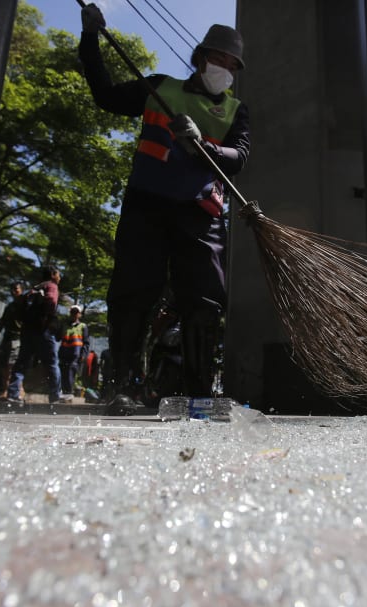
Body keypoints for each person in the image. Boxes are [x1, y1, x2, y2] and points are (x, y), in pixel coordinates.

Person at [78, 4, 250, 415]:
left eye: (231, 64)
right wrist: (90, 39)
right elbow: (104, 96)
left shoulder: (234, 110)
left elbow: (239, 158)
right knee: (133, 293)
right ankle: (121, 388)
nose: (223, 68)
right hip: (147, 206)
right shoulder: (159, 88)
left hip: (200, 215)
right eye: (217, 58)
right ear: (200, 58)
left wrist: (204, 145)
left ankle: (199, 396)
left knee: (204, 302)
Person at [7, 266, 62, 406]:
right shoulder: (51, 286)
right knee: (52, 363)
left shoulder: (34, 288)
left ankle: (13, 393)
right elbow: (51, 303)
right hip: (44, 331)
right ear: (53, 275)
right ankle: (55, 396)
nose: (59, 277)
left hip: (27, 330)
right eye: (58, 274)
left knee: (22, 362)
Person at [0, 281, 26, 399]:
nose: (14, 292)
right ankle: (6, 390)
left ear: (22, 290)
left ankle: (19, 390)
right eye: (12, 289)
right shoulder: (10, 307)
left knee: (12, 366)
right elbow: (1, 324)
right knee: (5, 367)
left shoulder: (25, 306)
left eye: (16, 289)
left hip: (17, 339)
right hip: (7, 339)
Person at [58, 304, 90, 401]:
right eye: (72, 312)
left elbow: (86, 342)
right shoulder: (64, 325)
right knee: (63, 371)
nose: (74, 314)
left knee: (71, 372)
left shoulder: (83, 326)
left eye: (76, 312)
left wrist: (83, 355)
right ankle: (62, 391)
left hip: (75, 354)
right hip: (64, 353)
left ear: (79, 314)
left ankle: (69, 392)